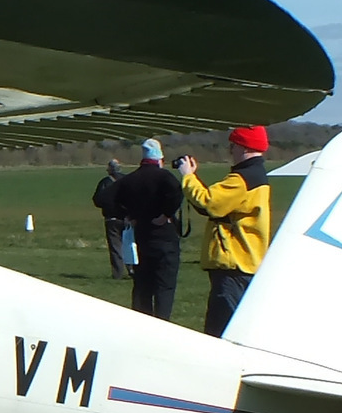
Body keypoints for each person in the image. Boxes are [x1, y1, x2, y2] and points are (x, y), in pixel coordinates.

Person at [176, 126, 272, 337]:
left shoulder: (242, 180)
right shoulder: (257, 176)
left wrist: (188, 177)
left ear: (243, 147)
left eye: (233, 145)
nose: (230, 150)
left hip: (234, 263)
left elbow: (208, 203)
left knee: (220, 330)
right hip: (248, 261)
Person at [114, 138, 181, 318]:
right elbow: (177, 192)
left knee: (143, 284)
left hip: (142, 235)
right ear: (160, 159)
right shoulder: (164, 177)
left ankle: (142, 320)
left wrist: (128, 214)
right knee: (164, 286)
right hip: (165, 237)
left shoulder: (131, 179)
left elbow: (104, 199)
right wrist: (166, 214)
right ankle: (162, 321)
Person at [91, 159, 132, 279]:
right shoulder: (128, 181)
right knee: (130, 245)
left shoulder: (105, 182)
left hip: (112, 219)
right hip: (128, 218)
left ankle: (118, 273)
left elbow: (97, 200)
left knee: (115, 247)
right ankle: (132, 269)